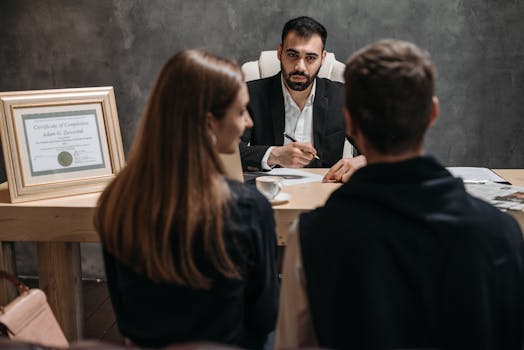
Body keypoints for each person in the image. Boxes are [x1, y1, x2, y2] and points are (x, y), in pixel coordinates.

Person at [275, 39, 524, 349]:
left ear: (349, 120)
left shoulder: (311, 235)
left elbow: (293, 344)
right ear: (433, 113)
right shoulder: (502, 232)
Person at [94, 50, 278, 349]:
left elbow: (124, 316)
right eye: (241, 111)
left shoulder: (117, 201)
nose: (249, 122)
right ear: (209, 123)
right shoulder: (249, 209)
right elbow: (265, 317)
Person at [240, 16, 365, 172]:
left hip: (324, 189)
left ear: (323, 58)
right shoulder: (249, 94)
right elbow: (228, 151)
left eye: (310, 58)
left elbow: (381, 147)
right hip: (270, 190)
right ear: (280, 53)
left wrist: (362, 161)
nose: (300, 66)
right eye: (293, 55)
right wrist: (274, 155)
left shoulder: (343, 96)